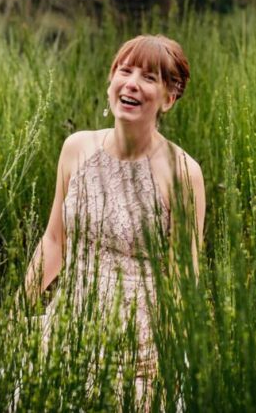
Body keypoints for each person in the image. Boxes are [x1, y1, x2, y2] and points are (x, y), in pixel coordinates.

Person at [20, 34, 206, 409]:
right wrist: (17, 313)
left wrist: (165, 368)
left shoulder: (183, 174)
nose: (132, 83)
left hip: (138, 357)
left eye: (150, 77)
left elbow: (183, 280)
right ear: (111, 81)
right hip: (68, 332)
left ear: (169, 98)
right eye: (126, 70)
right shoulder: (76, 148)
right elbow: (54, 241)